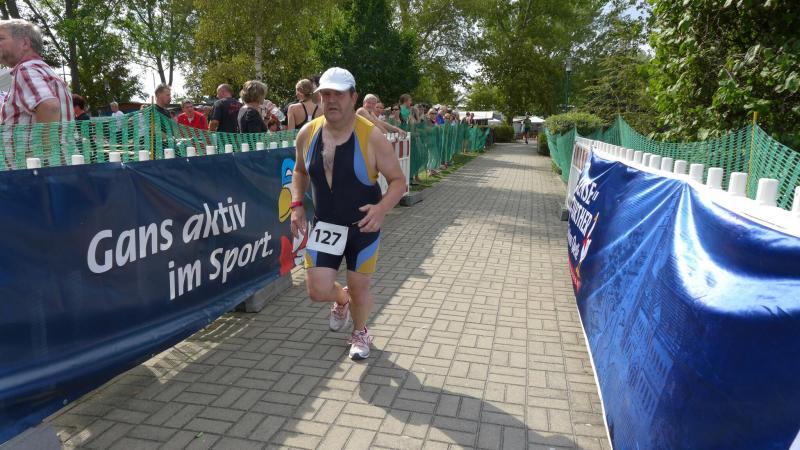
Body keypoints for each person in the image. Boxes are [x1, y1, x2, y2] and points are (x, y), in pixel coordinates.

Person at [290, 67, 406, 360]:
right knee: (317, 291)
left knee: (359, 287)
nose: (331, 100)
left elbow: (398, 181)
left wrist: (381, 209)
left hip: (362, 227)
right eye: (325, 94)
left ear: (353, 98)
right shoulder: (308, 133)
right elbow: (300, 172)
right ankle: (340, 299)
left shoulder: (372, 137)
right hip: (326, 226)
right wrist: (297, 205)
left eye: (338, 94)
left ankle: (360, 331)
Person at [0, 19, 73, 127]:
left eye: (1, 38)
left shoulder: (25, 69)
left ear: (25, 43)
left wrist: (46, 139)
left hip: (36, 139)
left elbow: (50, 106)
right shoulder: (45, 71)